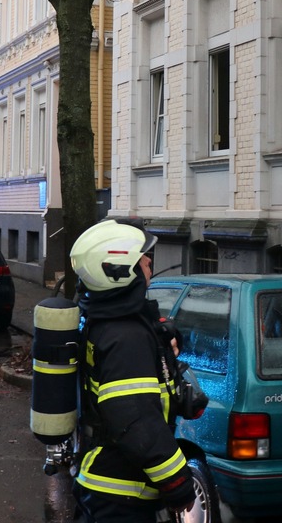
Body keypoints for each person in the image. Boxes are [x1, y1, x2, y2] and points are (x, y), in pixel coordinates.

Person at [70, 219, 197, 523]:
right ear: (118, 268)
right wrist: (177, 481)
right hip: (120, 498)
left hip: (106, 490)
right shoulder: (125, 336)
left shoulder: (104, 322)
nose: (149, 260)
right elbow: (135, 419)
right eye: (141, 255)